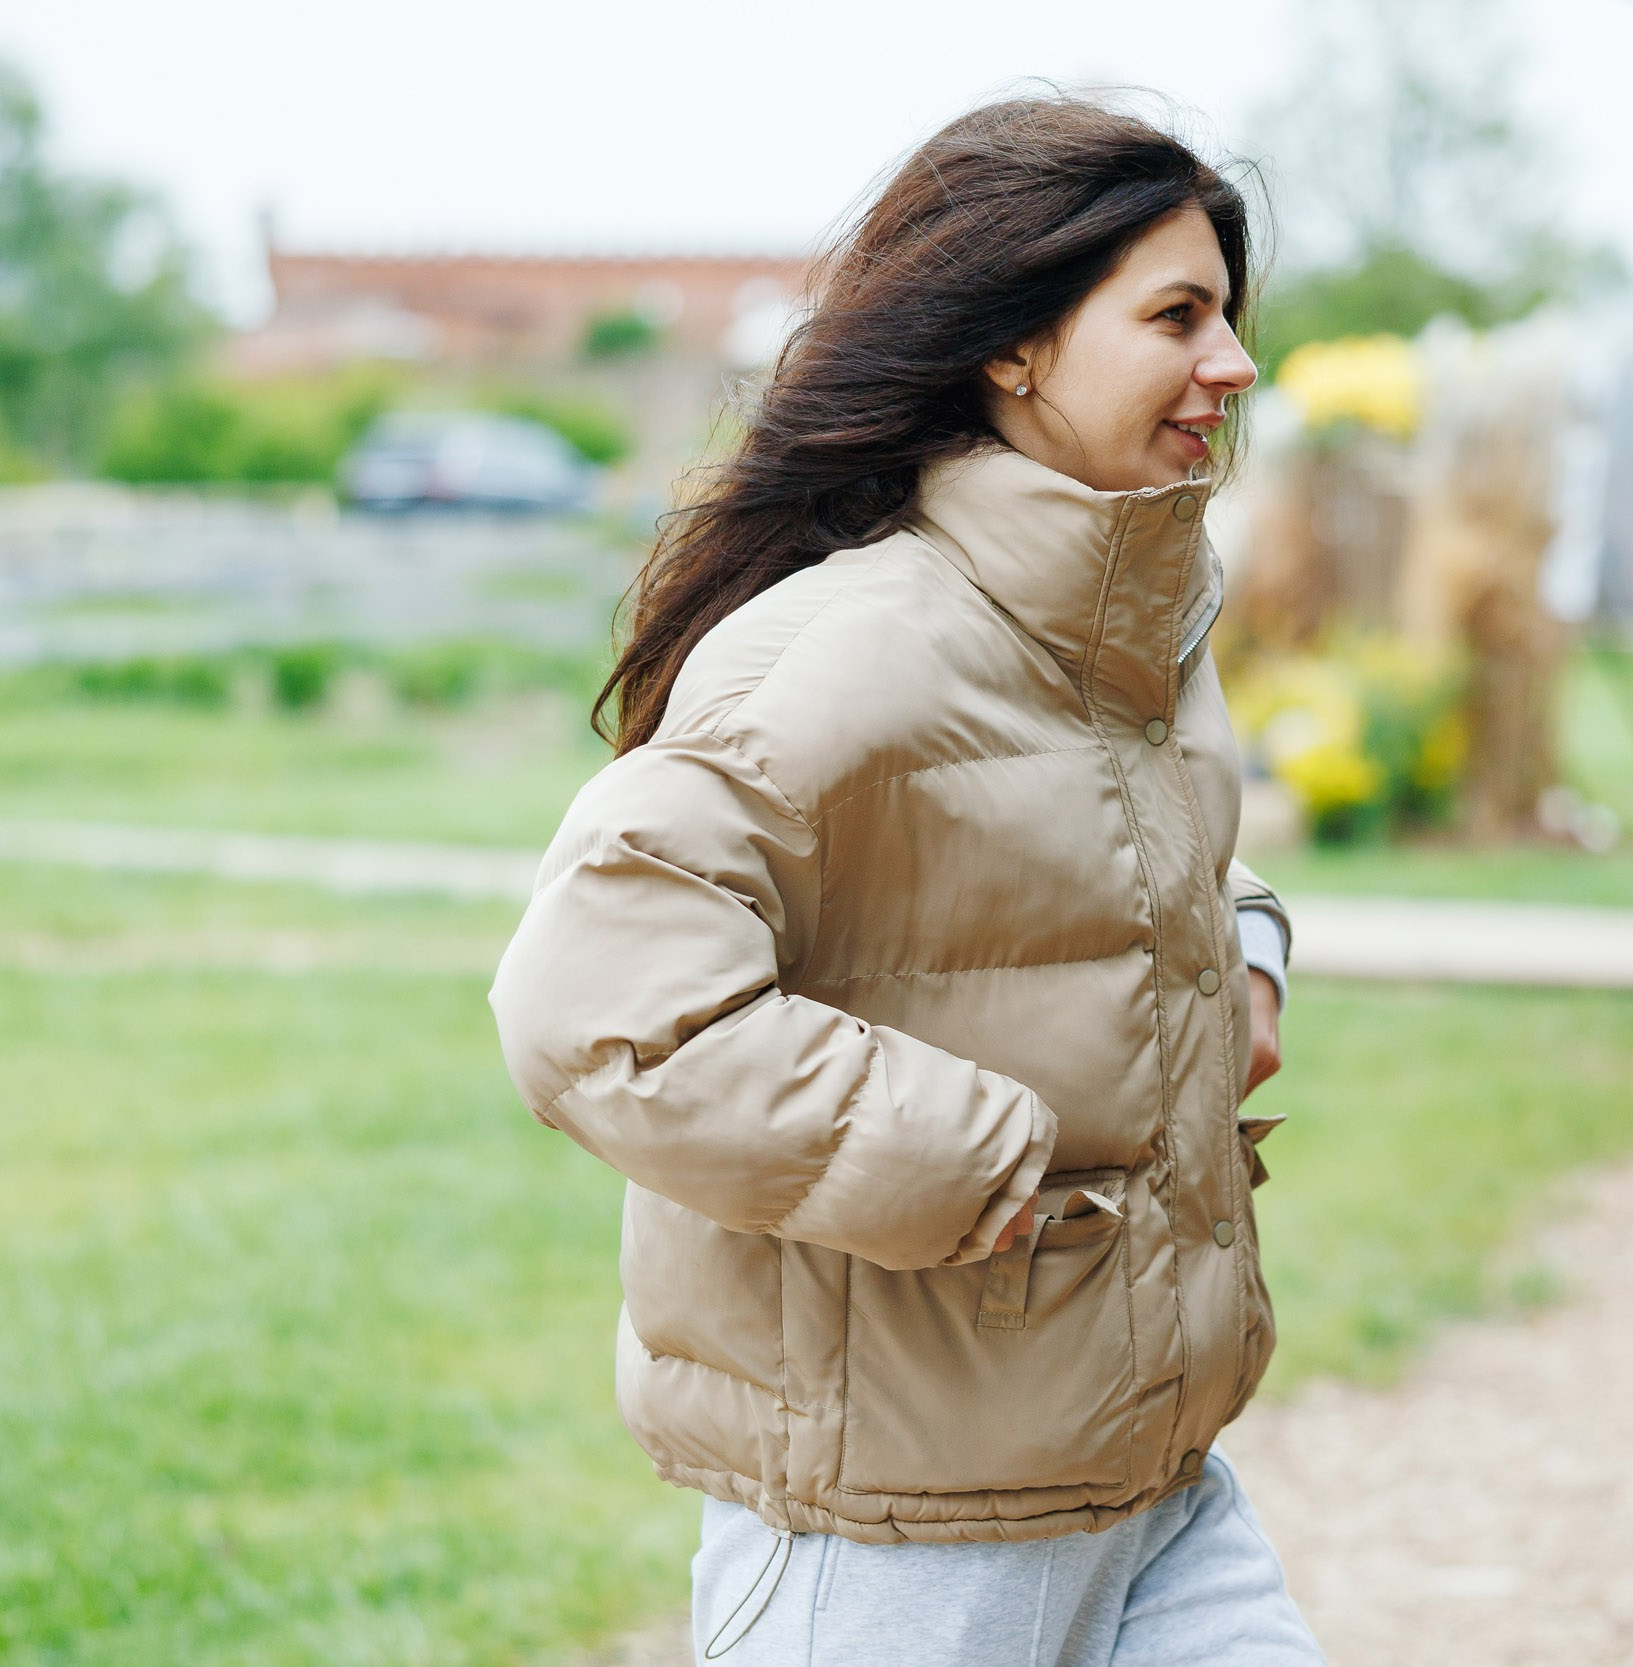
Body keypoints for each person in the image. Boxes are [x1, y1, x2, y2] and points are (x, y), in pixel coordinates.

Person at [486, 97, 1325, 1666]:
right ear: (1014, 346)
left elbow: (1103, 848)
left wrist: (1250, 946)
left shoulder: (1118, 628)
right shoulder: (846, 648)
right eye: (1178, 316)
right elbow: (588, 1000)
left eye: (1231, 315)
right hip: (893, 1539)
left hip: (1152, 1486)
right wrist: (970, 1152)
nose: (1234, 363)